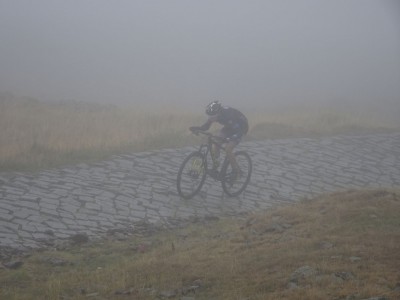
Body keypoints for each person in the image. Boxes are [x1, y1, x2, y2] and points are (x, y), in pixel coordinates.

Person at [190, 101, 248, 180]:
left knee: (228, 149)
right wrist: (197, 128)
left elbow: (239, 131)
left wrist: (230, 139)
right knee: (216, 143)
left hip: (241, 128)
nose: (211, 118)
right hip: (229, 127)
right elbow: (206, 127)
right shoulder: (214, 114)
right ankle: (215, 168)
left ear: (218, 113)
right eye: (209, 116)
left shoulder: (228, 115)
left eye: (212, 116)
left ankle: (236, 171)